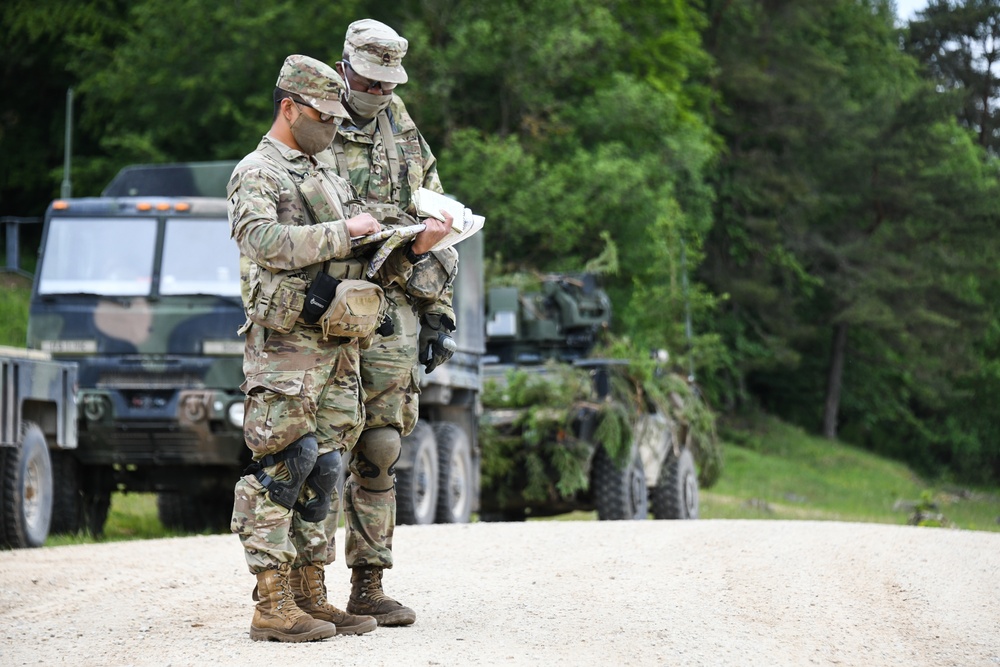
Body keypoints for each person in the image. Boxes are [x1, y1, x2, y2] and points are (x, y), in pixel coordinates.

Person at [228, 53, 448, 643]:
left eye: (335, 115)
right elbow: (261, 240)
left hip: (334, 342)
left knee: (325, 466)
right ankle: (271, 602)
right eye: (323, 115)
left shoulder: (322, 166)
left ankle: (310, 592)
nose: (334, 125)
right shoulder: (259, 171)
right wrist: (341, 233)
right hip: (286, 347)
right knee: (282, 465)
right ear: (290, 107)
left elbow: (361, 233)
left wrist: (413, 243)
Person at [317, 18, 460, 628]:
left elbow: (438, 218)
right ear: (346, 67)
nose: (379, 94)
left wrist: (438, 312)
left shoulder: (405, 131)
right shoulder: (313, 123)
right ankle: (301, 589)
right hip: (329, 308)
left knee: (380, 447)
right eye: (369, 81)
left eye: (388, 83)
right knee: (320, 449)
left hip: (393, 311)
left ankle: (368, 582)